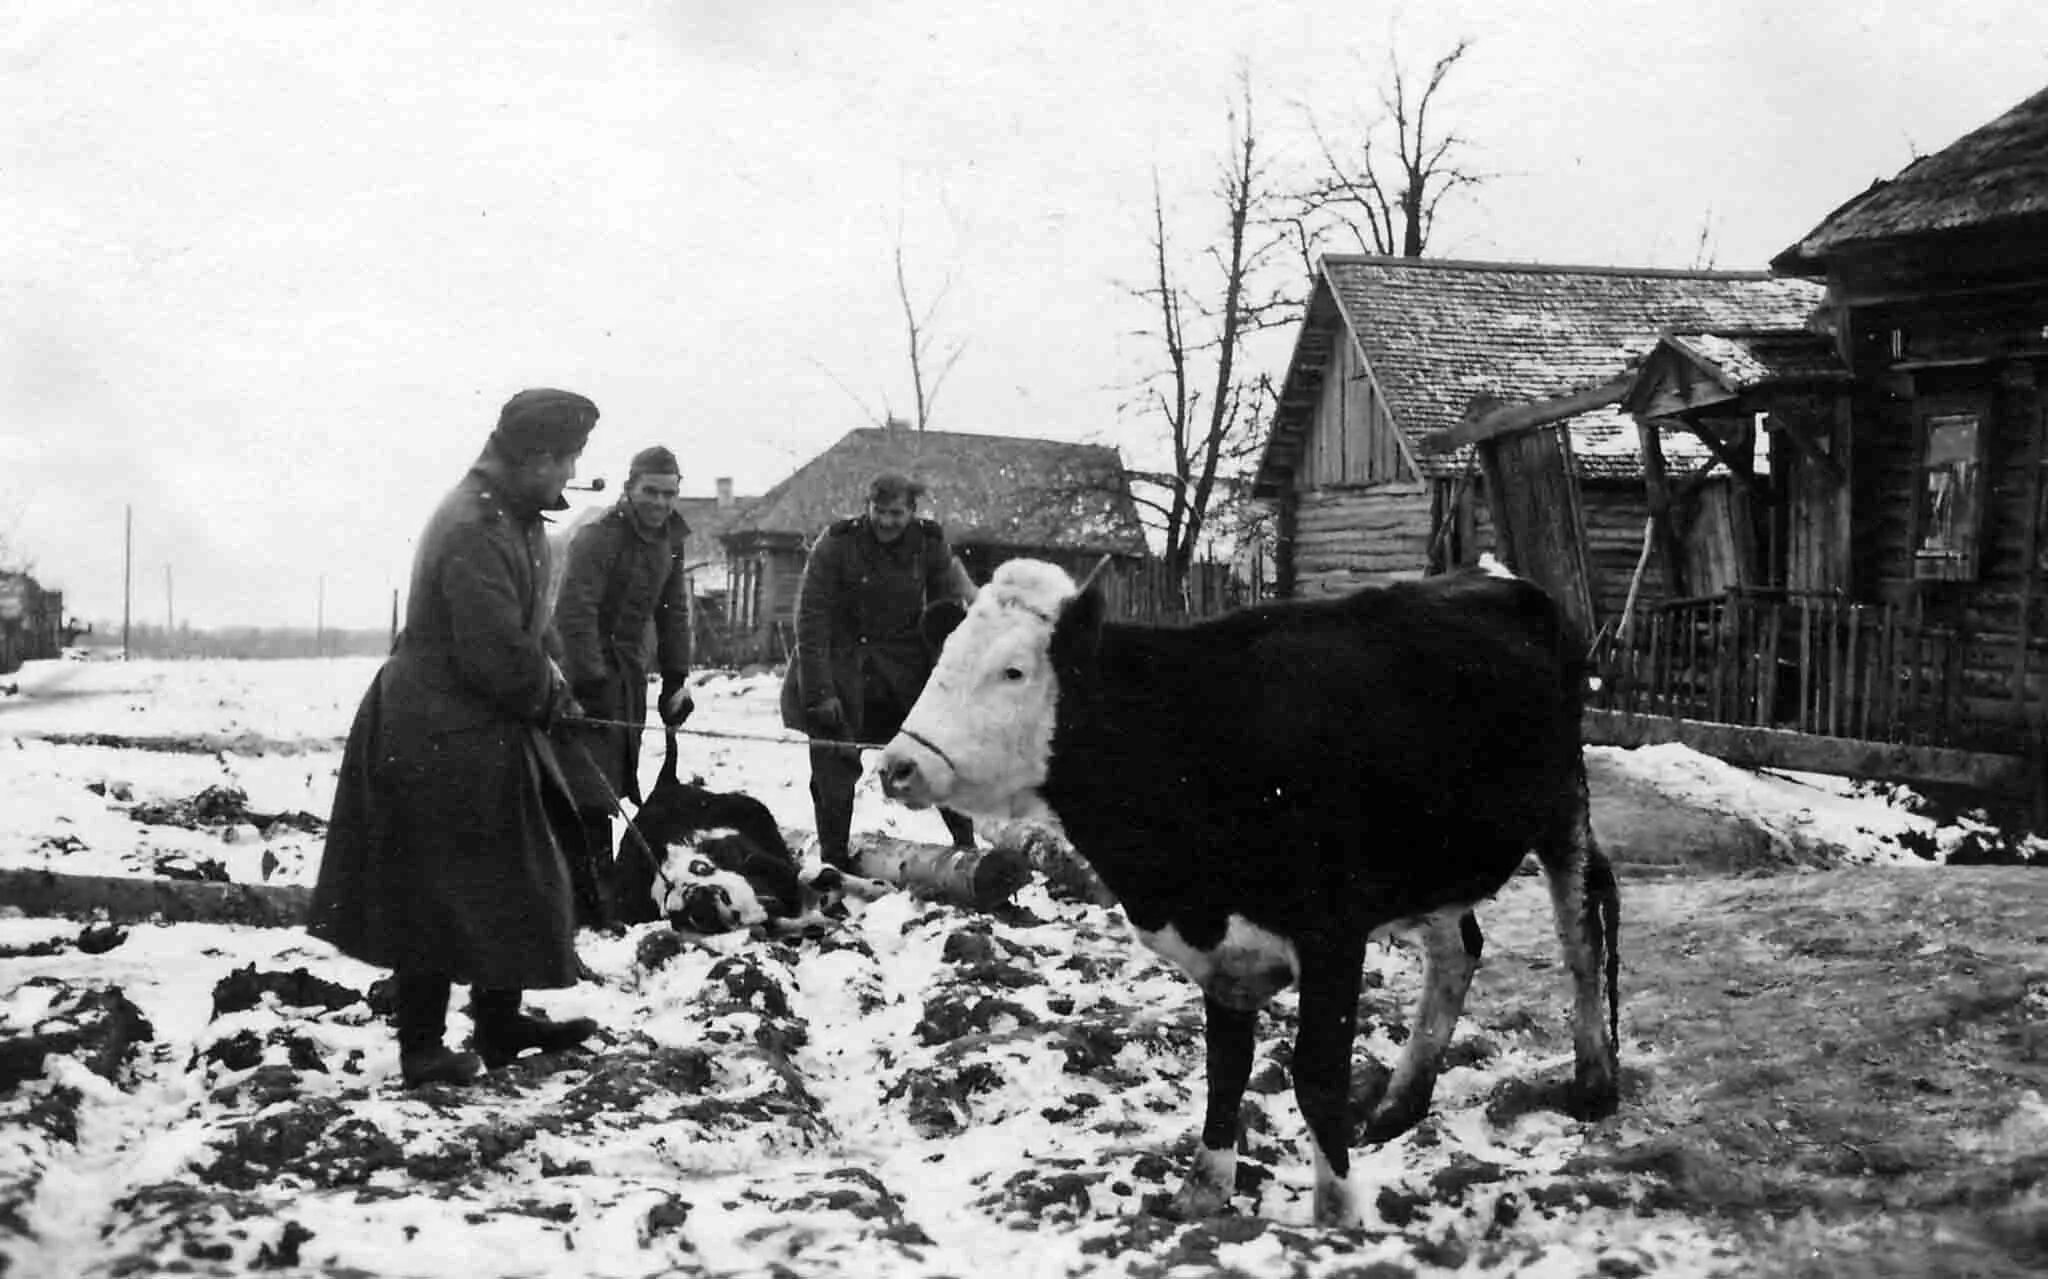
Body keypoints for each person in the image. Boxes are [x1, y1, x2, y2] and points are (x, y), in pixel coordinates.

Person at [307, 388, 603, 1089]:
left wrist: (557, 678)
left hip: (477, 720)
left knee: (511, 871)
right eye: (566, 462)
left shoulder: (514, 514)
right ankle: (423, 1047)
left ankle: (499, 1022)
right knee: (435, 886)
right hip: (433, 726)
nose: (570, 476)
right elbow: (493, 648)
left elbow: (528, 627)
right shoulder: (477, 522)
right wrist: (547, 693)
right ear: (535, 457)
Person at [779, 472, 979, 871]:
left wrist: (947, 686)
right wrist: (819, 692)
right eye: (880, 511)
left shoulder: (929, 543)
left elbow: (946, 616)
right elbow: (811, 619)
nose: (888, 521)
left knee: (936, 754)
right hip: (840, 665)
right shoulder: (836, 543)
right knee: (834, 767)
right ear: (867, 506)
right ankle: (833, 863)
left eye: (897, 513)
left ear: (912, 512)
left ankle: (968, 851)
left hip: (903, 670)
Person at [552, 444, 697, 925]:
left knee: (609, 784)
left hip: (628, 678)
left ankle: (595, 897)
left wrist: (676, 678)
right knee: (587, 790)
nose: (659, 502)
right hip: (579, 677)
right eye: (650, 491)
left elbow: (674, 613)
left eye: (669, 493)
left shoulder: (671, 540)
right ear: (629, 489)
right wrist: (589, 681)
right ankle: (586, 906)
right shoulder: (597, 537)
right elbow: (574, 613)